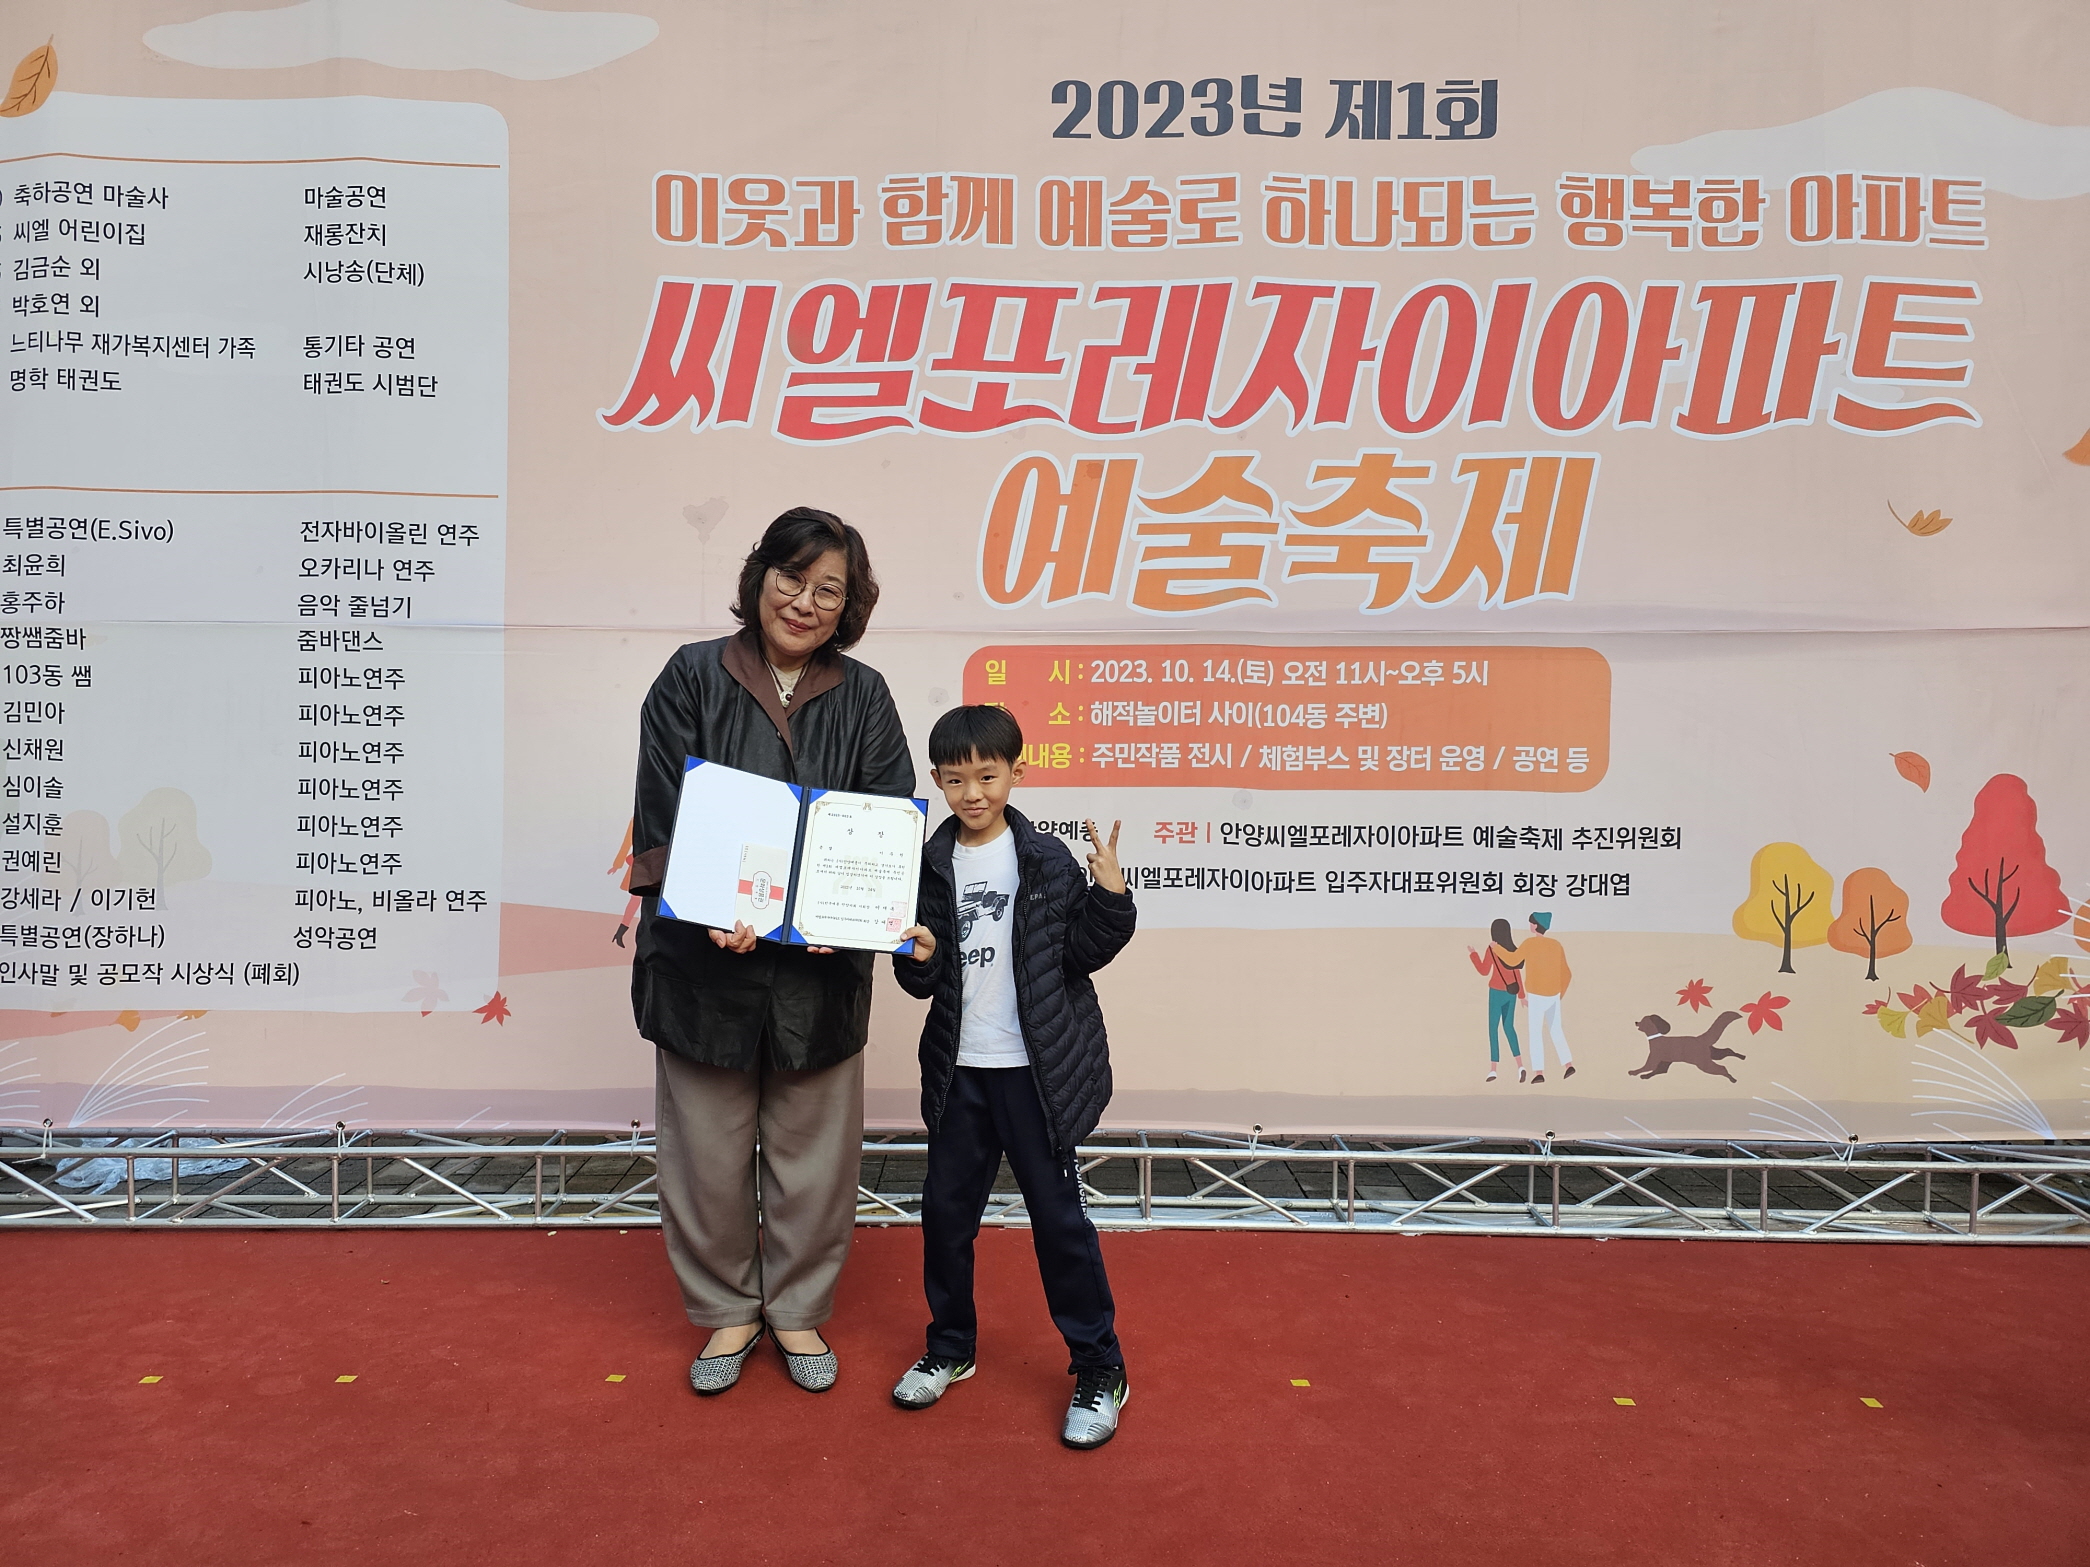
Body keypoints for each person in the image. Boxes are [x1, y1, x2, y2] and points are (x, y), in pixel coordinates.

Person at [626, 507, 914, 1396]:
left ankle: (796, 1308)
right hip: (704, 963)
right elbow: (661, 811)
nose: (803, 601)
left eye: (828, 589)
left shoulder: (865, 695)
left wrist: (850, 915)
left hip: (820, 972)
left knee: (814, 1156)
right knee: (706, 1154)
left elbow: (886, 817)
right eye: (791, 577)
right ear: (759, 578)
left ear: (848, 606)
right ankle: (727, 1309)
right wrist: (706, 903)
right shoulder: (691, 675)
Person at [887, 705, 1138, 1449]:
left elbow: (1083, 953)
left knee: (1060, 1224)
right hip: (959, 1071)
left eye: (987, 775)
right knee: (945, 1217)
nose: (972, 792)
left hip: (1036, 1075)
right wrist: (920, 957)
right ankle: (950, 1347)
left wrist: (1111, 895)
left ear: (1016, 773)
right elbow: (918, 977)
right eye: (954, 779)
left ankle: (1101, 1367)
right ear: (937, 782)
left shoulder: (1048, 859)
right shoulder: (930, 863)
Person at [1465, 918, 1525, 1082]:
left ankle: (1493, 1069)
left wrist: (1473, 954)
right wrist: (1522, 996)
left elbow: (1484, 970)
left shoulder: (1492, 949)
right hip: (1511, 992)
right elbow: (1517, 973)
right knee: (1509, 1027)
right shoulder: (1512, 950)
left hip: (1496, 992)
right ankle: (1520, 1066)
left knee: (1493, 1029)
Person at [1518, 911, 1575, 1082]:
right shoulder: (1556, 945)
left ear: (1535, 925)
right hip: (1554, 996)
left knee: (1535, 1033)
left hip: (1536, 996)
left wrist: (1496, 949)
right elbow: (1567, 974)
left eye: (1531, 922)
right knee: (1556, 1030)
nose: (1530, 925)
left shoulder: (1529, 943)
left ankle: (1539, 1073)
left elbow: (1513, 960)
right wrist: (1559, 995)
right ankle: (1568, 1065)